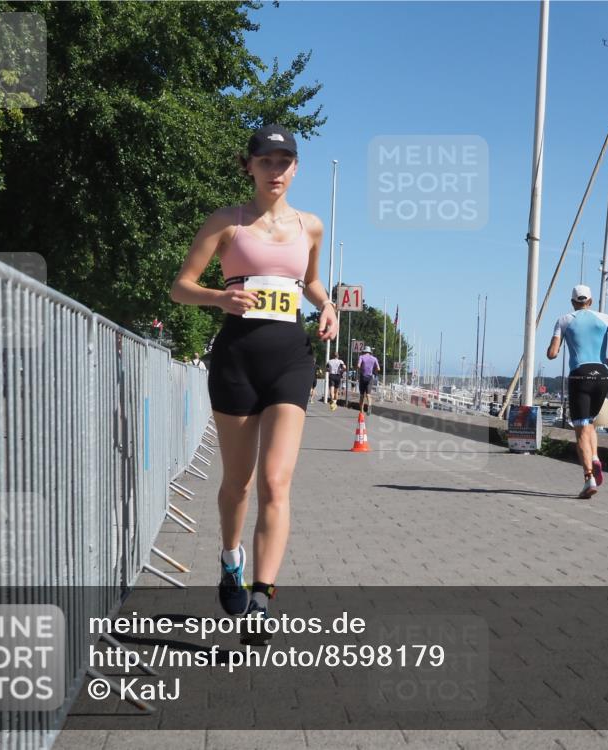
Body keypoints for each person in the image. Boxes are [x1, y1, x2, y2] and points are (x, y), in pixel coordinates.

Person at [170, 123, 338, 645]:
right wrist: (219, 298)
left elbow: (308, 281)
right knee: (237, 483)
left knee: (275, 482)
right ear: (248, 166)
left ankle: (262, 596)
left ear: (295, 168)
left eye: (285, 161)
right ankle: (230, 558)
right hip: (236, 359)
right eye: (265, 161)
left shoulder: (310, 226)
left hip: (291, 358)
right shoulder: (228, 222)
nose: (276, 170)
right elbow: (180, 288)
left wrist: (327, 304)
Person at [547, 285, 608, 499]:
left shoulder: (564, 320)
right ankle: (594, 457)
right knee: (590, 422)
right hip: (602, 376)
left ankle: (588, 478)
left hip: (580, 376)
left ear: (573, 302)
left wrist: (557, 346)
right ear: (590, 302)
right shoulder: (605, 318)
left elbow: (552, 354)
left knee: (581, 429)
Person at [356, 346, 380, 414]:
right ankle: (369, 406)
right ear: (370, 352)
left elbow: (358, 365)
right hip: (370, 377)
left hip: (363, 377)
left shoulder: (361, 357)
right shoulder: (374, 358)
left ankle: (361, 411)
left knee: (361, 395)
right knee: (368, 394)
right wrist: (373, 370)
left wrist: (360, 368)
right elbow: (378, 368)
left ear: (364, 351)